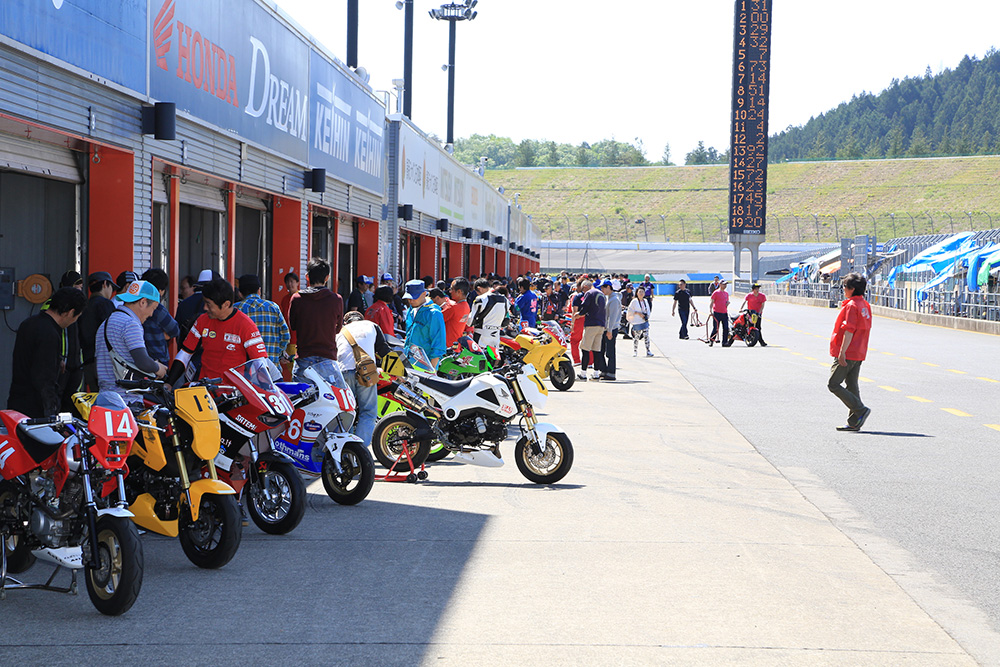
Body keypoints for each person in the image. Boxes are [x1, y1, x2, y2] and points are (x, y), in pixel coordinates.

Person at [166, 278, 268, 385]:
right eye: (204, 302)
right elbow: (185, 354)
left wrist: (266, 387)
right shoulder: (202, 320)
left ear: (226, 304)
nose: (205, 308)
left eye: (209, 304)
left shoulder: (246, 325)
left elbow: (260, 362)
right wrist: (169, 383)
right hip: (206, 388)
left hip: (235, 391)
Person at [7, 287, 86, 417]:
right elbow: (44, 378)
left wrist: (57, 360)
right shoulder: (50, 334)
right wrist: (51, 412)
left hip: (17, 401)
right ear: (70, 312)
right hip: (36, 410)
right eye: (77, 316)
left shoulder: (28, 323)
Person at [95, 280, 168, 404]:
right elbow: (143, 361)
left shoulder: (105, 323)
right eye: (153, 308)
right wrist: (158, 368)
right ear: (143, 302)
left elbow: (97, 367)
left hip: (104, 397)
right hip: (127, 399)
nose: (151, 314)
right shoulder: (130, 324)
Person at [337, 311, 390, 448]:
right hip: (367, 373)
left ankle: (344, 449)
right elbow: (384, 350)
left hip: (343, 372)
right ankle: (360, 451)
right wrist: (400, 373)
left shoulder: (340, 331)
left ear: (346, 322)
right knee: (368, 412)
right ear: (362, 319)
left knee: (346, 412)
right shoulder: (371, 325)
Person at [288, 258, 345, 385]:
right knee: (332, 396)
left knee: (302, 397)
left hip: (304, 358)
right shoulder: (336, 299)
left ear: (307, 277)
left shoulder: (297, 298)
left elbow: (293, 325)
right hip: (328, 359)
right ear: (327, 277)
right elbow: (338, 329)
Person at [829, 273, 873, 432]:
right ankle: (854, 421)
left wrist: (842, 353)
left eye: (844, 287)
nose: (843, 289)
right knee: (852, 386)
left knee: (833, 384)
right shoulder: (865, 305)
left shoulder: (851, 306)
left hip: (849, 351)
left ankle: (860, 409)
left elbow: (849, 330)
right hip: (859, 351)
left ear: (852, 289)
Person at [237, 274, 290, 365]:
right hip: (271, 366)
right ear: (259, 290)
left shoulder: (236, 309)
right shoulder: (273, 307)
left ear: (240, 293)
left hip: (245, 368)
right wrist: (276, 352)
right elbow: (285, 336)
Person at [78, 271, 117, 391]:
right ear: (105, 284)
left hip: (87, 361)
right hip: (104, 363)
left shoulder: (83, 306)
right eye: (111, 287)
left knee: (96, 397)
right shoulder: (106, 304)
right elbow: (112, 332)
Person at [140, 268, 181, 365]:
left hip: (140, 357)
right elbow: (175, 330)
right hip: (158, 359)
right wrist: (164, 335)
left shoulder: (136, 305)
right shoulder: (159, 310)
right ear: (160, 291)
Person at [402, 279, 446, 367]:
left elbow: (438, 345)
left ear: (424, 294)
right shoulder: (410, 310)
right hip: (410, 362)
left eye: (414, 297)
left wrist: (432, 371)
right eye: (409, 298)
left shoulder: (434, 314)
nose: (411, 300)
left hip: (426, 367)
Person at [466, 277, 509, 352]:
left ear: (479, 288)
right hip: (496, 338)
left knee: (480, 358)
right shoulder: (505, 300)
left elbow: (470, 322)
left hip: (481, 338)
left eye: (477, 292)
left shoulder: (480, 299)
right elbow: (505, 322)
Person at [576, 279, 606, 381]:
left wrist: (579, 314)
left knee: (585, 348)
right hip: (601, 325)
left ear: (585, 287)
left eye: (582, 290)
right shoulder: (601, 294)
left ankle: (583, 374)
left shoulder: (589, 293)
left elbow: (585, 307)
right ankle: (596, 374)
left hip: (591, 324)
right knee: (596, 350)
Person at [600, 279, 622, 381]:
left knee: (610, 352)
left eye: (603, 288)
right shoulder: (609, 298)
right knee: (602, 350)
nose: (602, 290)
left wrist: (609, 330)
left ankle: (611, 373)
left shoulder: (614, 300)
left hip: (611, 329)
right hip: (607, 328)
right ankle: (604, 370)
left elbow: (612, 317)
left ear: (608, 287)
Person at [627, 286, 653, 357]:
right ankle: (635, 351)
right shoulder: (634, 301)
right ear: (637, 293)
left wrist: (646, 316)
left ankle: (648, 350)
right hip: (637, 322)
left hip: (644, 321)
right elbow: (630, 310)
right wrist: (638, 313)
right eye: (640, 292)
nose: (641, 293)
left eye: (642, 292)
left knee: (646, 336)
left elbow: (648, 310)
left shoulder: (645, 301)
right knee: (636, 337)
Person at [446, 279, 471, 344]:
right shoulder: (466, 306)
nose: (450, 291)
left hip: (447, 345)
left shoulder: (453, 307)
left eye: (452, 289)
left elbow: (436, 318)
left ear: (459, 291)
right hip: (457, 343)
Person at [709, 280, 731, 347]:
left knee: (726, 328)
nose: (725, 286)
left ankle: (724, 342)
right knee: (716, 328)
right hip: (717, 313)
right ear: (720, 284)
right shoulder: (716, 293)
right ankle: (711, 340)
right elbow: (712, 302)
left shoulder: (726, 293)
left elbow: (726, 303)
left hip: (724, 313)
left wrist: (727, 304)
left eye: (726, 284)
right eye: (724, 284)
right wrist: (710, 311)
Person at [569, 279, 585, 365]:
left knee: (574, 340)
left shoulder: (577, 297)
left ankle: (577, 360)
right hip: (590, 319)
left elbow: (574, 311)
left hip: (579, 319)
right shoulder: (592, 295)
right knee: (588, 341)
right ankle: (590, 362)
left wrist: (572, 323)